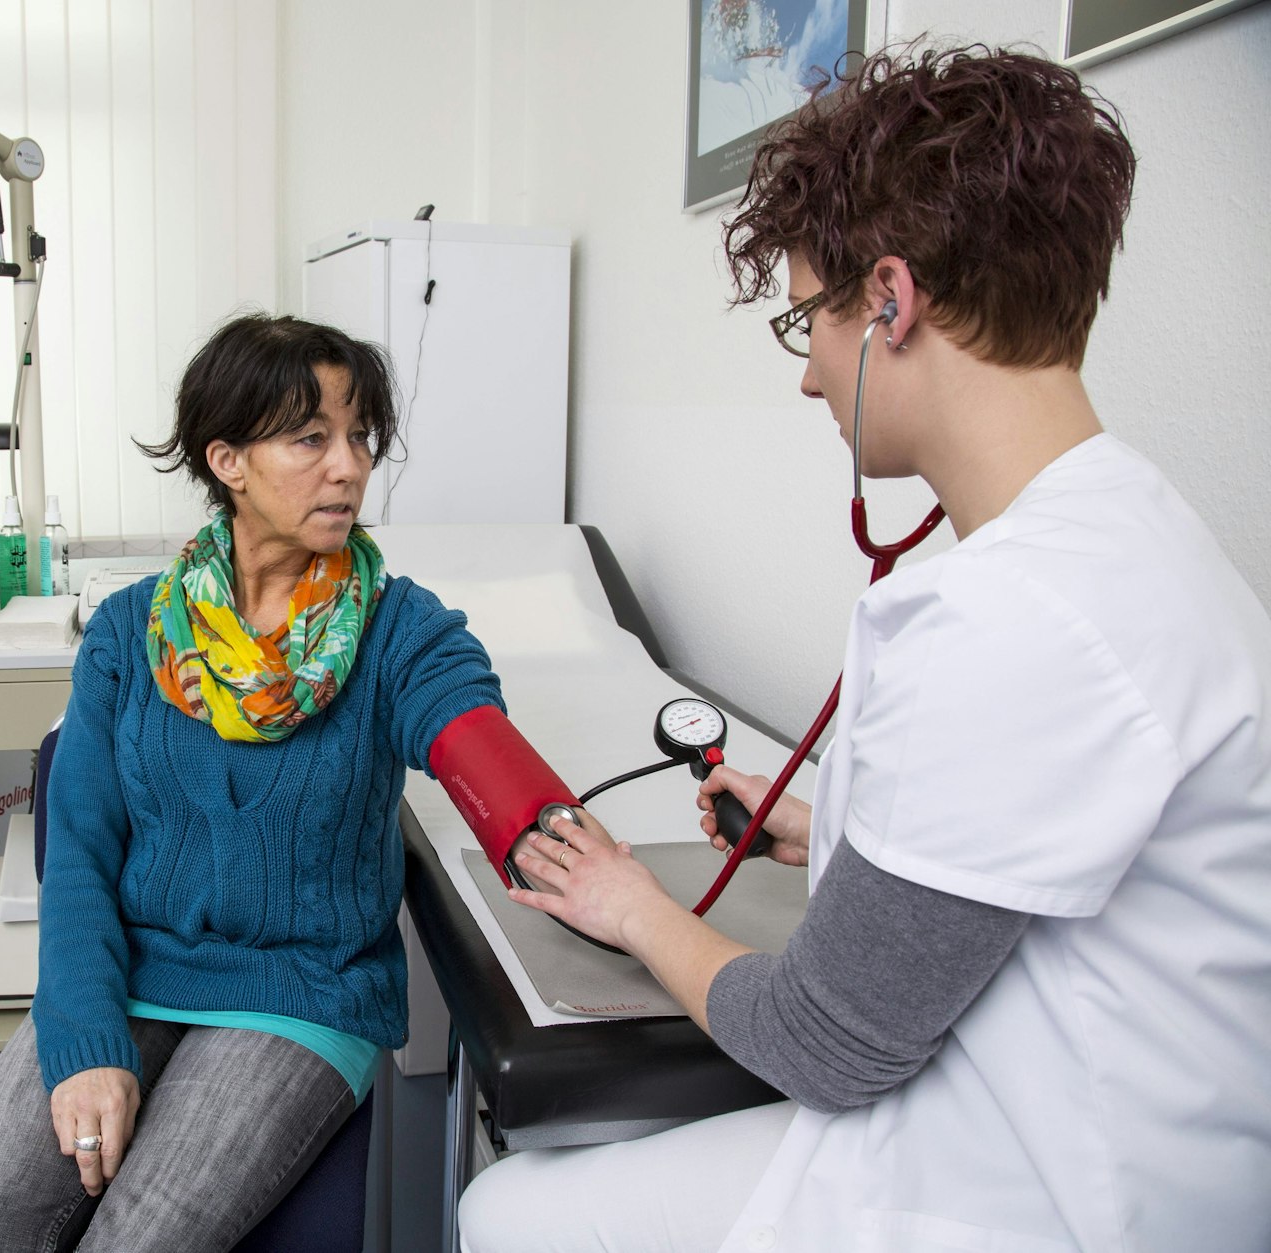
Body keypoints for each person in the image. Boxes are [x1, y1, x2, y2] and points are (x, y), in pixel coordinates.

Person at [459, 45, 1271, 1253]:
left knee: (505, 1213)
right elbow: (1036, 827)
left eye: (807, 319)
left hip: (1050, 1195)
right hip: (1099, 1125)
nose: (806, 378)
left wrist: (630, 905)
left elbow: (822, 1042)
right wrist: (825, 819)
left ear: (889, 300)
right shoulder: (1130, 533)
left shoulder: (1013, 615)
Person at [0, 313, 503, 1252]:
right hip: (133, 969)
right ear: (227, 460)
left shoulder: (398, 629)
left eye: (359, 436)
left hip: (303, 992)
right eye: (311, 438)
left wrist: (536, 815)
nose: (349, 467)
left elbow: (469, 726)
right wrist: (88, 1041)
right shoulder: (128, 632)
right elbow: (80, 855)